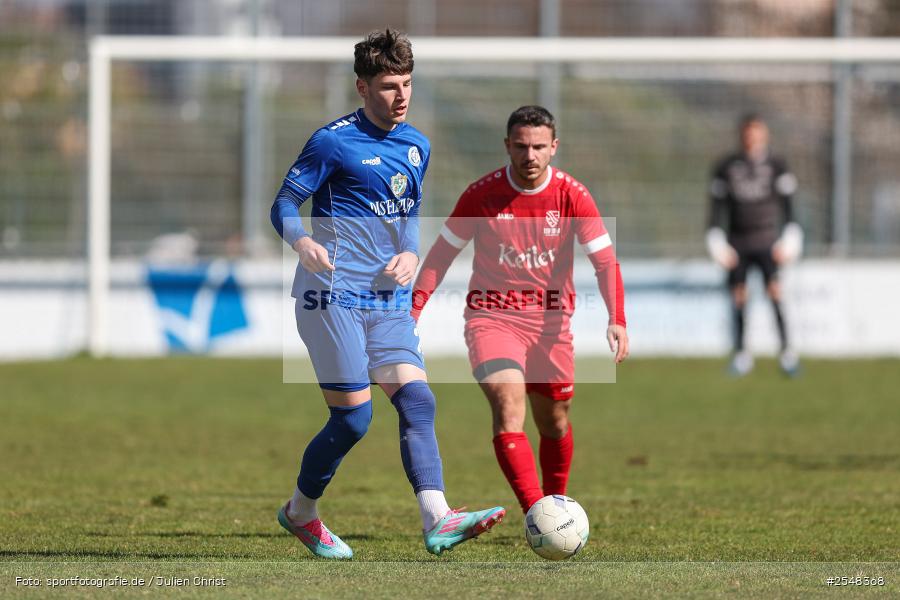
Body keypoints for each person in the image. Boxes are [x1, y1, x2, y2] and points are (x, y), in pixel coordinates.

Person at [270, 29, 504, 559]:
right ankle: (301, 512)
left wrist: (411, 253)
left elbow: (407, 211)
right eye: (389, 86)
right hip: (331, 296)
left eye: (407, 84)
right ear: (362, 87)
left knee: (418, 400)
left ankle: (438, 518)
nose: (401, 96)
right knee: (354, 419)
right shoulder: (332, 142)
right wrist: (302, 241)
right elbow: (283, 204)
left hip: (385, 298)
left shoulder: (417, 144)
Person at [411, 105, 629, 515]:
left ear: (554, 147)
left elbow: (604, 262)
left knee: (554, 421)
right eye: (521, 146)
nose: (530, 155)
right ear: (507, 146)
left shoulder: (572, 195)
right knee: (509, 407)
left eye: (539, 147)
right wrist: (413, 312)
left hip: (551, 326)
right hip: (491, 319)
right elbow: (440, 256)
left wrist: (617, 318)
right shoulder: (481, 195)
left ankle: (556, 502)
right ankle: (537, 513)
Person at [705, 113, 803, 377]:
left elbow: (789, 206)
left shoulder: (777, 165)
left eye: (757, 132)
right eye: (748, 132)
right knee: (738, 296)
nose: (752, 137)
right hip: (738, 243)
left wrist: (791, 236)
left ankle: (787, 353)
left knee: (775, 292)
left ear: (765, 134)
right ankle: (741, 354)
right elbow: (716, 209)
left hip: (767, 240)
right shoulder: (726, 167)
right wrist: (715, 239)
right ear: (742, 135)